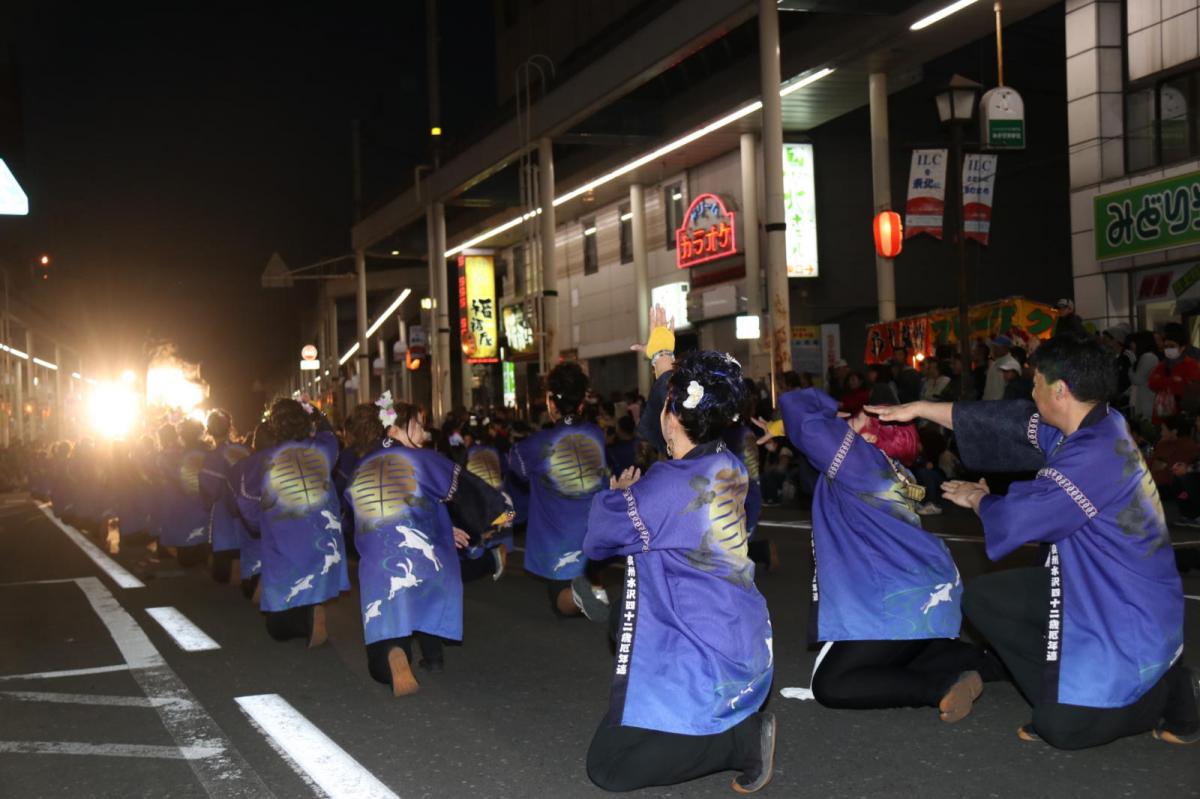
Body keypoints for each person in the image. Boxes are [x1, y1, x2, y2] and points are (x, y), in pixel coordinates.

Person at [872, 334, 1197, 749]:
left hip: (1125, 605)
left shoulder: (1096, 453)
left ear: (1060, 390)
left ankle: (1169, 689)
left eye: (1036, 381)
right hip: (1089, 584)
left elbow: (1026, 515)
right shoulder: (1092, 422)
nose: (1031, 390)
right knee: (986, 599)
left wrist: (980, 499)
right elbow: (1002, 420)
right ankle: (1062, 695)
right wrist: (918, 409)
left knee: (1064, 731)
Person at [583, 349, 776, 795]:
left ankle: (740, 741)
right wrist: (663, 366)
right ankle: (697, 719)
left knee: (608, 768)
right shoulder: (727, 464)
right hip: (741, 638)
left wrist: (621, 495)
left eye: (666, 402)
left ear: (674, 415)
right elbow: (671, 433)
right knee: (623, 618)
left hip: (702, 652)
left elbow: (597, 539)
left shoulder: (663, 487)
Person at [757, 391, 995, 722]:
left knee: (833, 684)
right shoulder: (892, 469)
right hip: (924, 588)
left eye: (857, 418)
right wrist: (789, 429)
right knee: (896, 655)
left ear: (870, 435)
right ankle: (987, 661)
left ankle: (938, 688)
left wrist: (827, 414)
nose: (846, 420)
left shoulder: (859, 460)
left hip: (895, 598)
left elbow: (798, 404)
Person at [346, 397, 508, 695]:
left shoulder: (357, 472)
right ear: (393, 430)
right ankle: (432, 656)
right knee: (428, 595)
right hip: (426, 559)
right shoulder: (422, 459)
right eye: (418, 426)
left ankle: (395, 655)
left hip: (379, 570)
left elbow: (370, 520)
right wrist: (499, 514)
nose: (425, 433)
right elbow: (466, 491)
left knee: (385, 639)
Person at [236, 398, 349, 648]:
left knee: (277, 626)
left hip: (283, 538)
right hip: (321, 537)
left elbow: (246, 498)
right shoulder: (323, 448)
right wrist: (317, 414)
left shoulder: (265, 459)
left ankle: (305, 618)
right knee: (312, 580)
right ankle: (313, 607)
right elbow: (330, 434)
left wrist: (258, 524)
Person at [509, 361, 610, 619]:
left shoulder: (537, 444)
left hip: (558, 539)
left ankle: (578, 595)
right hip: (595, 532)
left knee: (558, 600)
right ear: (581, 403)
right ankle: (594, 587)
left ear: (551, 403)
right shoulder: (596, 434)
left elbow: (516, 466)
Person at [200, 410, 250, 583]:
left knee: (221, 575)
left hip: (222, 516)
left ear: (209, 429)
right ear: (230, 427)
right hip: (246, 513)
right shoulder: (243, 450)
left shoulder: (211, 458)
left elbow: (209, 491)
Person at [157, 419, 211, 565]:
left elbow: (174, 475)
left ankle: (189, 553)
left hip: (185, 499)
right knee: (199, 532)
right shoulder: (206, 451)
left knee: (187, 533)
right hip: (199, 499)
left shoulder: (179, 454)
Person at [1148, 324, 1200, 423]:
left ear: (1182, 347)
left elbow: (1189, 388)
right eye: (1166, 346)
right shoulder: (1161, 365)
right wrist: (1173, 381)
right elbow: (1152, 383)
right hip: (1161, 414)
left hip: (1182, 417)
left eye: (1172, 346)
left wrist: (1165, 383)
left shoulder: (1191, 365)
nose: (1168, 349)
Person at [1129, 330, 1161, 425]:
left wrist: (1131, 365)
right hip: (1144, 401)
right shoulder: (1146, 356)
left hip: (1146, 402)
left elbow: (1137, 379)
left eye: (1134, 341)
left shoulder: (1148, 357)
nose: (1132, 344)